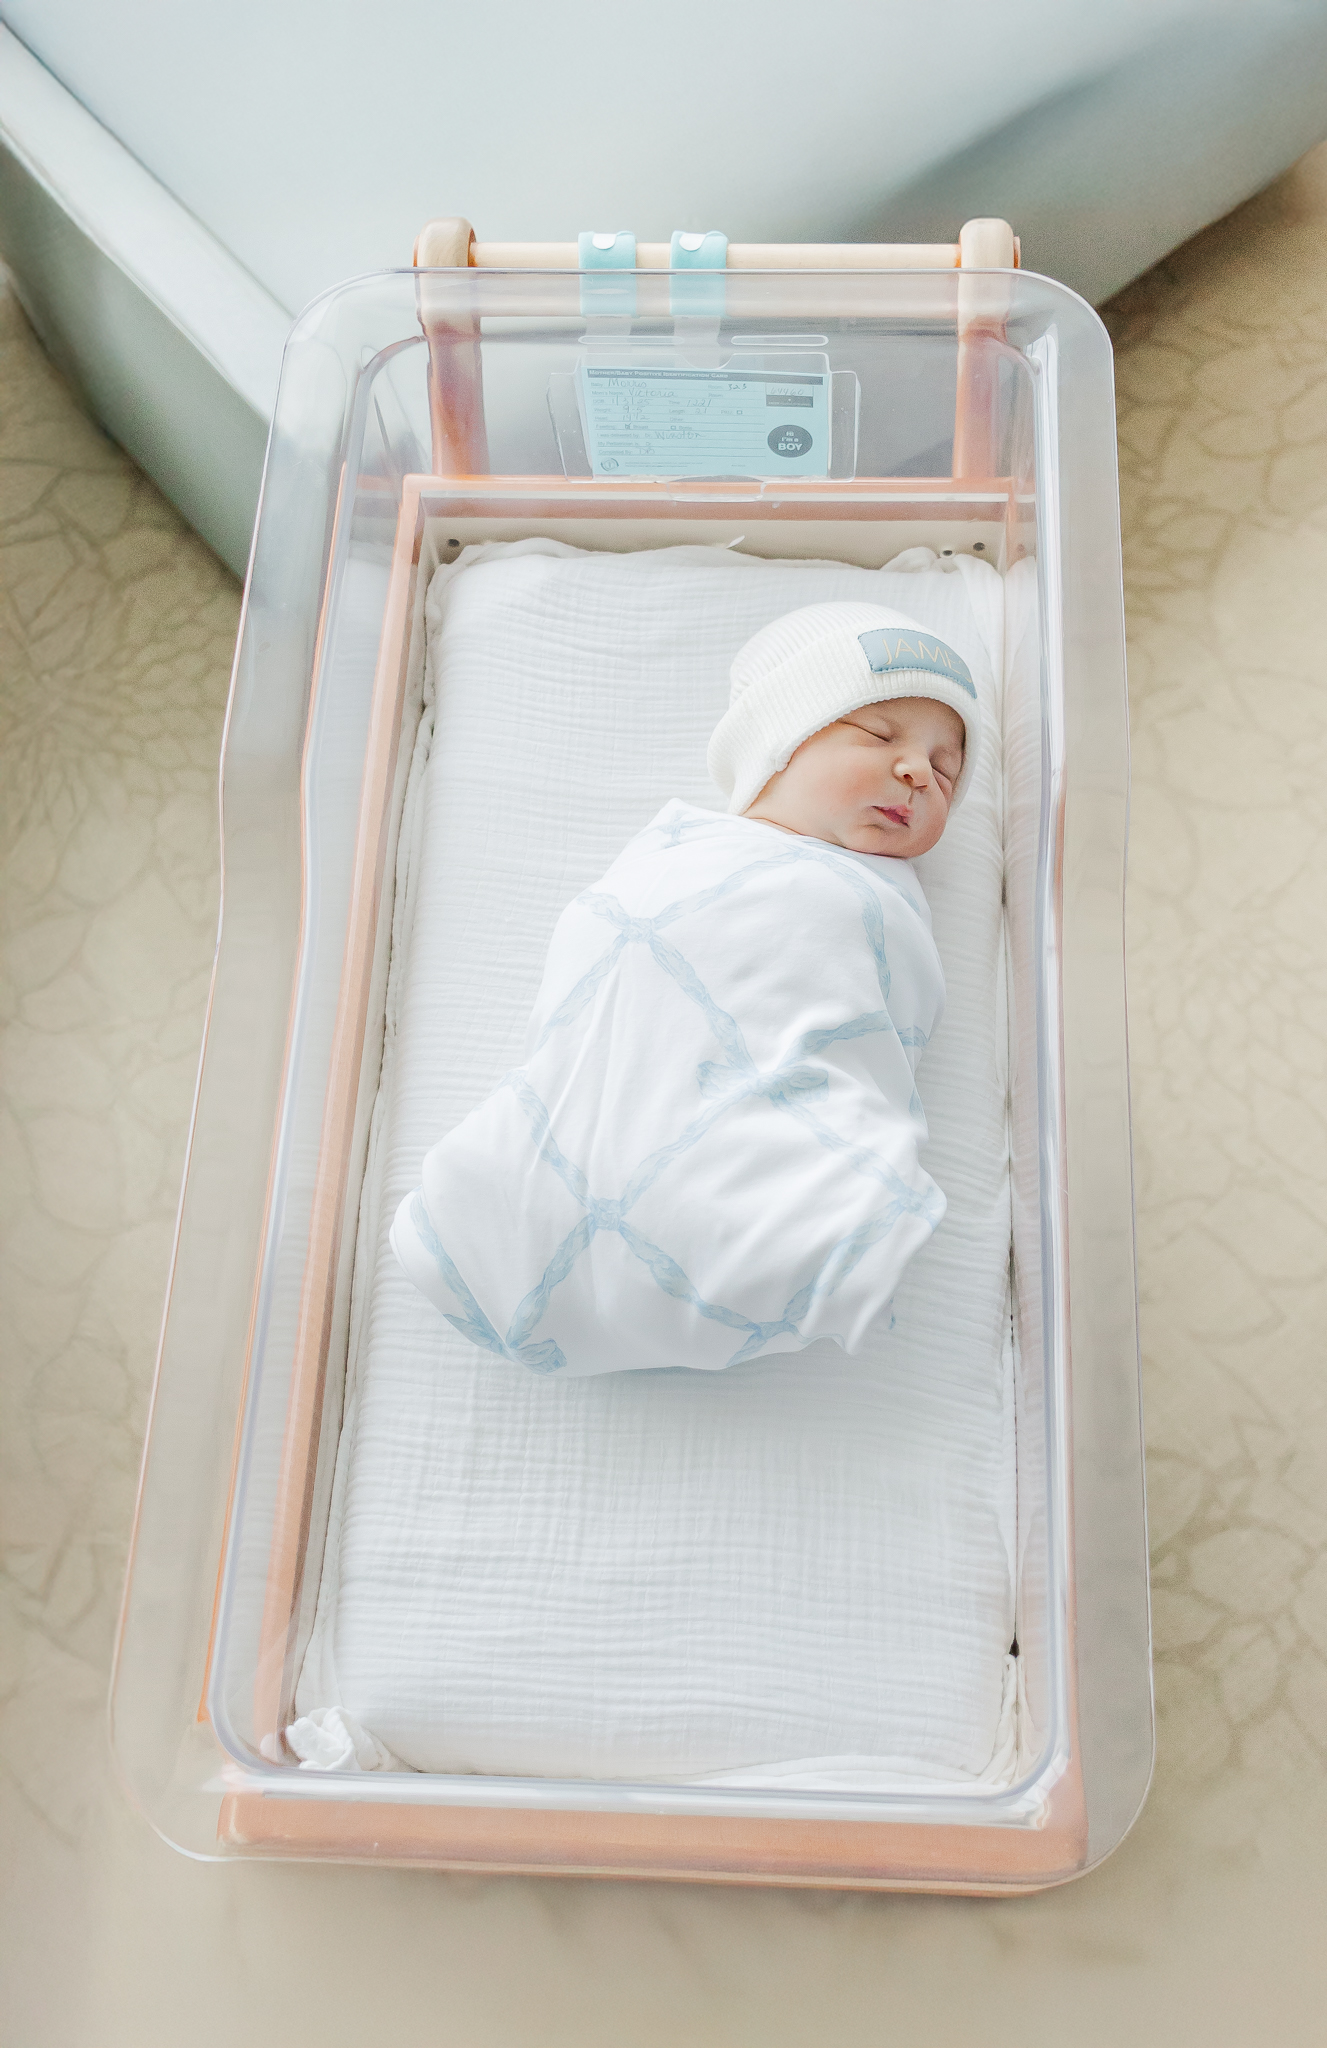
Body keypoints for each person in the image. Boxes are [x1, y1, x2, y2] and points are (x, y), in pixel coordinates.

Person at [392, 601, 980, 1378]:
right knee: (560, 1137)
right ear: (775, 741)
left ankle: (751, 1236)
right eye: (878, 735)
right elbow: (605, 971)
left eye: (945, 771)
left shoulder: (882, 898)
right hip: (622, 1094)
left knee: (770, 1178)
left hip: (763, 1127)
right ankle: (519, 1216)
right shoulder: (678, 850)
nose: (917, 772)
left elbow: (863, 1010)